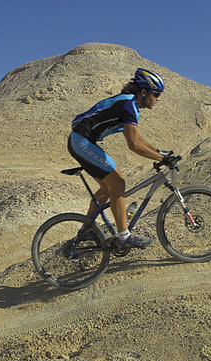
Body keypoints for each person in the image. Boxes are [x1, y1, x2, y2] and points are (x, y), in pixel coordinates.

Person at [68, 68, 175, 249]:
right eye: (156, 94)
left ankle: (86, 230)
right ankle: (124, 237)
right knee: (118, 183)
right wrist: (161, 159)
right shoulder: (129, 105)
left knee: (107, 188)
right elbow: (133, 144)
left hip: (81, 141)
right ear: (144, 92)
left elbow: (138, 139)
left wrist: (160, 153)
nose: (158, 98)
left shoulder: (130, 104)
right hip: (81, 141)